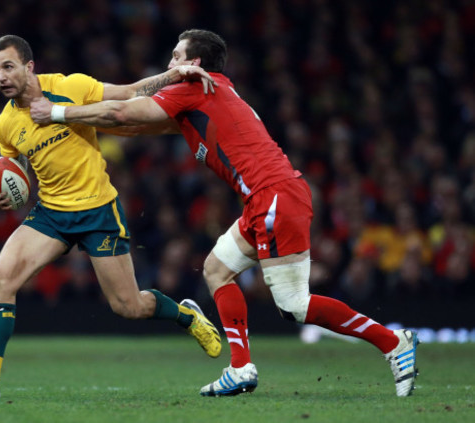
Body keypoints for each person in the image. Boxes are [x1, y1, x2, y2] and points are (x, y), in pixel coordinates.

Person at [29, 29, 420, 398]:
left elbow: (120, 114)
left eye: (177, 55)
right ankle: (241, 368)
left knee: (294, 304)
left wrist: (61, 114)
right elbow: (137, 123)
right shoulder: (213, 92)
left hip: (274, 196)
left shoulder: (193, 88)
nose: (171, 61)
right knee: (217, 269)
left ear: (195, 62)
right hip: (265, 198)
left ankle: (393, 342)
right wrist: (87, 126)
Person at [0, 34, 222, 399]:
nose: (1, 76)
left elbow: (131, 92)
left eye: (8, 66)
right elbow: (15, 169)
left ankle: (186, 315)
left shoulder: (70, 86)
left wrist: (175, 74)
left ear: (29, 66)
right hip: (51, 214)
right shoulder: (4, 125)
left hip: (97, 210)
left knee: (128, 307)